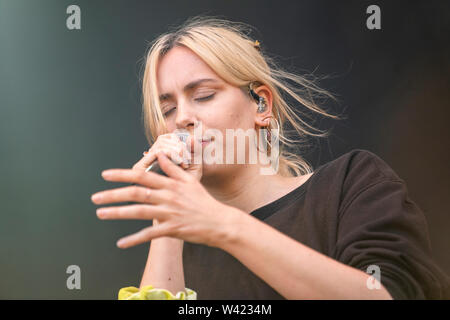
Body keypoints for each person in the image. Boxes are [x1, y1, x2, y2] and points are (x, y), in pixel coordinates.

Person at [91, 16, 450, 300]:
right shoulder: (178, 254)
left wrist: (224, 226)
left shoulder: (348, 184)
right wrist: (166, 225)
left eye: (202, 95)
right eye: (167, 109)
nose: (182, 117)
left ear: (261, 104)